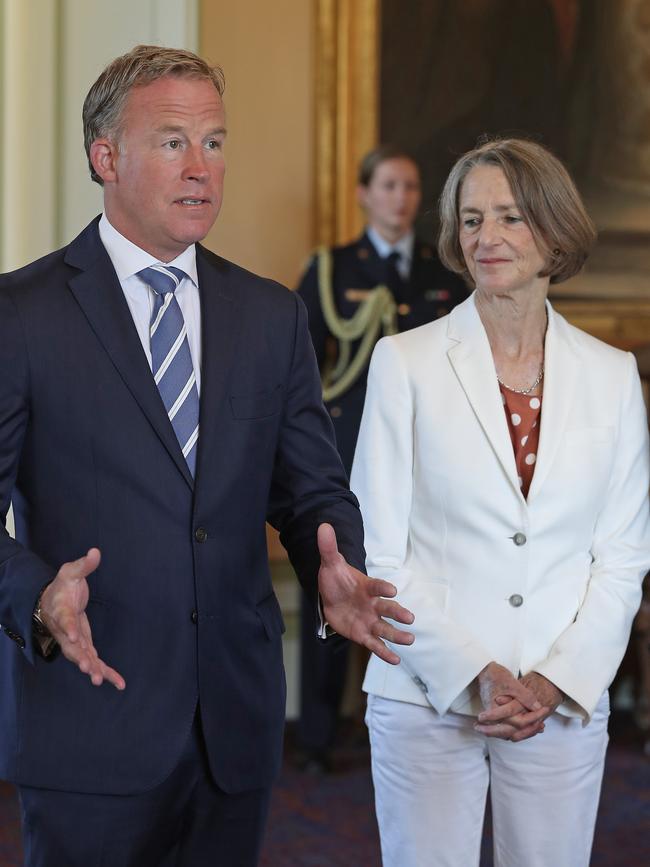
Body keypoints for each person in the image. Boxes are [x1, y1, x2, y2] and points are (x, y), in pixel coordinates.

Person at [0, 45, 414, 867]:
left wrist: (335, 554)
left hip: (235, 725)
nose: (201, 168)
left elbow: (310, 489)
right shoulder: (22, 314)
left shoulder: (270, 315)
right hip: (91, 719)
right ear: (105, 156)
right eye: (173, 142)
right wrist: (37, 594)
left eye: (215, 143)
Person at [351, 137, 650, 867]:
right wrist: (478, 672)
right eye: (472, 218)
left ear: (553, 231)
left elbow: (622, 556)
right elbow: (381, 553)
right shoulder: (404, 362)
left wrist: (554, 680)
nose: (487, 237)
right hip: (425, 695)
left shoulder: (614, 378)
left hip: (562, 699)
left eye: (511, 217)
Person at [296, 145, 466, 770]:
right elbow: (302, 375)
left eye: (411, 187)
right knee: (339, 587)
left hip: (429, 461)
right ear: (365, 193)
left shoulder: (442, 273)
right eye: (390, 185)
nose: (401, 198)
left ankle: (415, 720)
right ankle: (316, 739)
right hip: (347, 460)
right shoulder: (330, 269)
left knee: (415, 591)